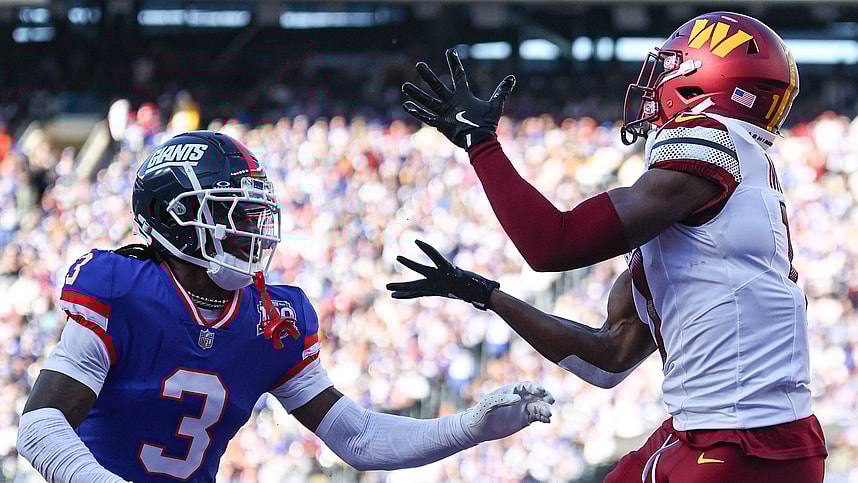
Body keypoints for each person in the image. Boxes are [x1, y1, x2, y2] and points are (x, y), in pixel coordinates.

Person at [399, 11, 826, 482]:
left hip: (737, 441)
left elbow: (551, 245)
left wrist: (480, 144)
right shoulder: (727, 192)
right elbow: (609, 358)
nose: (653, 82)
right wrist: (488, 295)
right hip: (736, 434)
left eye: (670, 67)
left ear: (702, 81)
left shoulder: (710, 146)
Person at [16, 130, 554, 483]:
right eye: (231, 213)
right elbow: (41, 424)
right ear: (171, 217)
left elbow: (358, 437)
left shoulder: (274, 319)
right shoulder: (120, 286)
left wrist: (468, 428)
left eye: (253, 216)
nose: (250, 230)